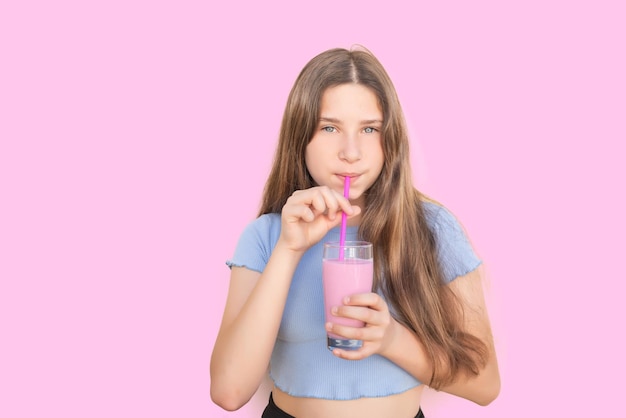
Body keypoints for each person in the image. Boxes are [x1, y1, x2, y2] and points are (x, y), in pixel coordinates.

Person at [210, 46, 500, 418]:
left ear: (389, 138)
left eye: (369, 129)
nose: (351, 152)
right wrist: (289, 249)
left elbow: (486, 385)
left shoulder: (433, 228)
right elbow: (229, 391)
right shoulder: (267, 237)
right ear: (301, 138)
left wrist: (392, 339)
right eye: (329, 128)